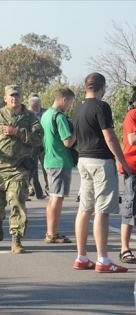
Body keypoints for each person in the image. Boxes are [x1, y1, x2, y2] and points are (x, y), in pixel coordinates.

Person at [0, 85, 43, 254]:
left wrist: (18, 132)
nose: (14, 98)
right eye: (11, 96)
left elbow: (39, 138)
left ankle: (16, 239)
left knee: (18, 202)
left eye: (17, 95)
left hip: (19, 167)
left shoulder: (30, 118)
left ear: (22, 98)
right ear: (5, 98)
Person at [72, 72, 131, 272]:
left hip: (83, 159)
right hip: (101, 162)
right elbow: (110, 137)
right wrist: (123, 161)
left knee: (84, 209)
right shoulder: (101, 106)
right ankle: (103, 260)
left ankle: (81, 257)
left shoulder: (78, 107)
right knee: (102, 210)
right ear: (102, 87)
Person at [40, 87, 76, 244]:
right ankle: (52, 233)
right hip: (60, 161)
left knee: (52, 198)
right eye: (70, 102)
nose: (69, 106)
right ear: (64, 100)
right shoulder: (59, 117)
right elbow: (68, 142)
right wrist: (77, 131)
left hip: (49, 160)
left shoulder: (46, 115)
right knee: (57, 198)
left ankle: (50, 231)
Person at [118, 90, 136, 264]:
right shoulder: (132, 114)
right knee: (130, 210)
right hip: (133, 168)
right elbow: (131, 139)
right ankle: (125, 248)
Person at [27, 93, 49, 200]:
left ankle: (44, 189)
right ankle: (30, 190)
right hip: (31, 146)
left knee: (44, 167)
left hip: (43, 145)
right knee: (32, 169)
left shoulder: (45, 113)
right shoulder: (26, 115)